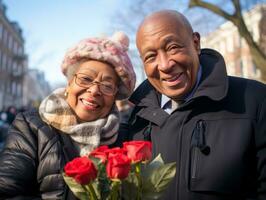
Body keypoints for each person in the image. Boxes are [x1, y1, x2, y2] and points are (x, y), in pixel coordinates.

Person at [118, 10, 266, 200]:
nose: (164, 65)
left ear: (196, 43)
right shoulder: (135, 118)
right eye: (151, 56)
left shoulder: (255, 101)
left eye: (172, 47)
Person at [0, 31, 136, 199]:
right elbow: (8, 193)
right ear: (69, 83)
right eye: (86, 79)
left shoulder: (124, 137)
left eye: (107, 86)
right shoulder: (31, 126)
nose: (94, 90)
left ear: (115, 96)